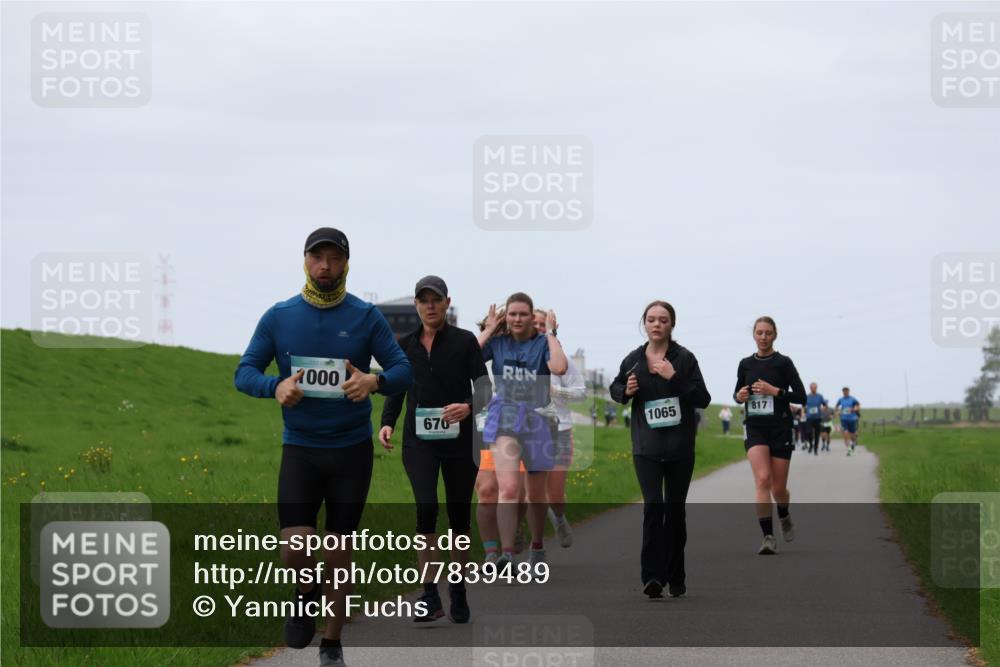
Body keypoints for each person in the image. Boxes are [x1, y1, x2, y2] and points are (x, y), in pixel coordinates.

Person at [234, 228, 412, 667]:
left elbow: (402, 369)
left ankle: (332, 643)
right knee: (296, 547)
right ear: (305, 260)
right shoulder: (279, 316)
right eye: (319, 258)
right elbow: (244, 372)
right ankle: (305, 592)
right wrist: (275, 387)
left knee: (338, 551)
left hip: (351, 452)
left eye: (335, 258)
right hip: (301, 449)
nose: (326, 267)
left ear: (346, 264)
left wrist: (374, 381)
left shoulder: (367, 317)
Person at [378, 276, 489, 624]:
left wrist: (468, 407)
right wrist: (387, 421)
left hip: (460, 441)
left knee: (458, 519)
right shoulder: (403, 344)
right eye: (423, 300)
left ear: (446, 303)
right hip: (419, 442)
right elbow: (396, 387)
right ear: (416, 305)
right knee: (426, 509)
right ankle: (429, 595)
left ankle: (457, 589)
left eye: (435, 300)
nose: (430, 305)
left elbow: (485, 390)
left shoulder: (465, 341)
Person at [610, 301, 711, 599]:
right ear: (644, 323)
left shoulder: (685, 358)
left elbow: (702, 399)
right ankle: (652, 577)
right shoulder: (633, 359)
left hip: (680, 448)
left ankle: (676, 575)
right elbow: (616, 390)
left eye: (663, 320)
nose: (656, 324)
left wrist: (673, 377)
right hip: (646, 447)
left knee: (675, 513)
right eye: (651, 319)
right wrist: (625, 392)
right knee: (653, 507)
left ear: (671, 325)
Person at [478, 293, 568, 571]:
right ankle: (507, 554)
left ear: (532, 317)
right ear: (507, 317)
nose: (518, 319)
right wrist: (491, 329)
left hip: (537, 421)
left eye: (523, 314)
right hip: (504, 418)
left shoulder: (543, 343)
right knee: (508, 487)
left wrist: (552, 333)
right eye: (513, 314)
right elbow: (465, 356)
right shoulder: (499, 343)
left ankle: (537, 545)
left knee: (535, 495)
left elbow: (559, 367)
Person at [733, 316, 806, 556]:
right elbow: (737, 393)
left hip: (780, 428)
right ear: (753, 335)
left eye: (768, 333)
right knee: (762, 479)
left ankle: (783, 514)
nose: (763, 337)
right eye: (759, 333)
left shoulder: (783, 363)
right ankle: (768, 536)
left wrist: (774, 391)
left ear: (775, 335)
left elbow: (801, 397)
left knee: (778, 489)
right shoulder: (745, 364)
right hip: (755, 427)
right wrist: (740, 396)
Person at [533, 309, 585, 548]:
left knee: (554, 495)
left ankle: (559, 517)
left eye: (542, 324)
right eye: (533, 323)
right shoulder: (517, 357)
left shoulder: (561, 359)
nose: (536, 328)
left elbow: (581, 392)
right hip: (526, 432)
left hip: (559, 431)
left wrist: (558, 392)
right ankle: (532, 542)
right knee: (528, 493)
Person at [836, 387, 861, 456]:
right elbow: (836, 407)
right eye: (844, 391)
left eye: (846, 391)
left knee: (853, 434)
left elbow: (858, 405)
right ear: (842, 392)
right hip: (844, 419)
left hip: (852, 419)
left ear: (848, 391)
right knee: (845, 433)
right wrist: (838, 412)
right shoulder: (840, 400)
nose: (845, 392)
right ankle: (849, 449)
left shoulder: (852, 399)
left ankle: (853, 443)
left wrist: (854, 409)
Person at [804, 383, 826, 456]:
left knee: (817, 434)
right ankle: (811, 444)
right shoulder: (807, 396)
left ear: (816, 388)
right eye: (812, 388)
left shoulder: (820, 396)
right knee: (808, 432)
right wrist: (803, 413)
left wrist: (823, 409)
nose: (814, 389)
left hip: (817, 418)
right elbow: (803, 406)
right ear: (810, 388)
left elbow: (825, 405)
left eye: (815, 388)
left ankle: (815, 449)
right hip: (809, 418)